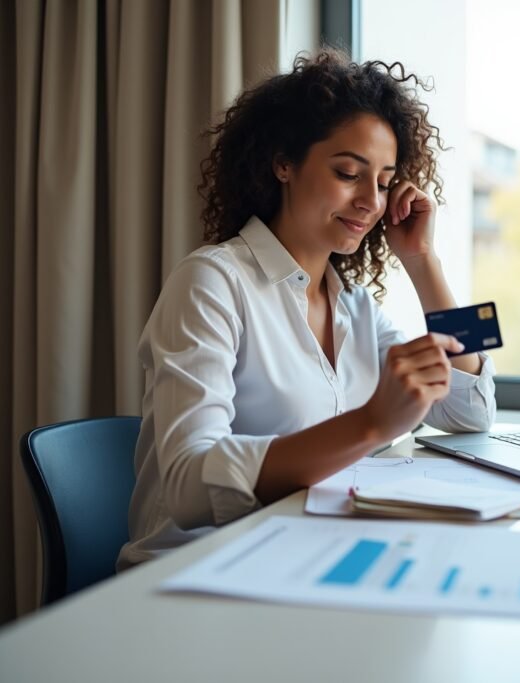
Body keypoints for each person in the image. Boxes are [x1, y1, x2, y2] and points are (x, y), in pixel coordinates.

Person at [117, 49, 496, 569]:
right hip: (196, 572)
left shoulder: (357, 307)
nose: (372, 201)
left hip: (306, 558)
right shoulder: (211, 281)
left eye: (384, 183)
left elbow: (471, 410)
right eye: (348, 173)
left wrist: (423, 261)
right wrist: (370, 424)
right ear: (283, 163)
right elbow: (187, 486)